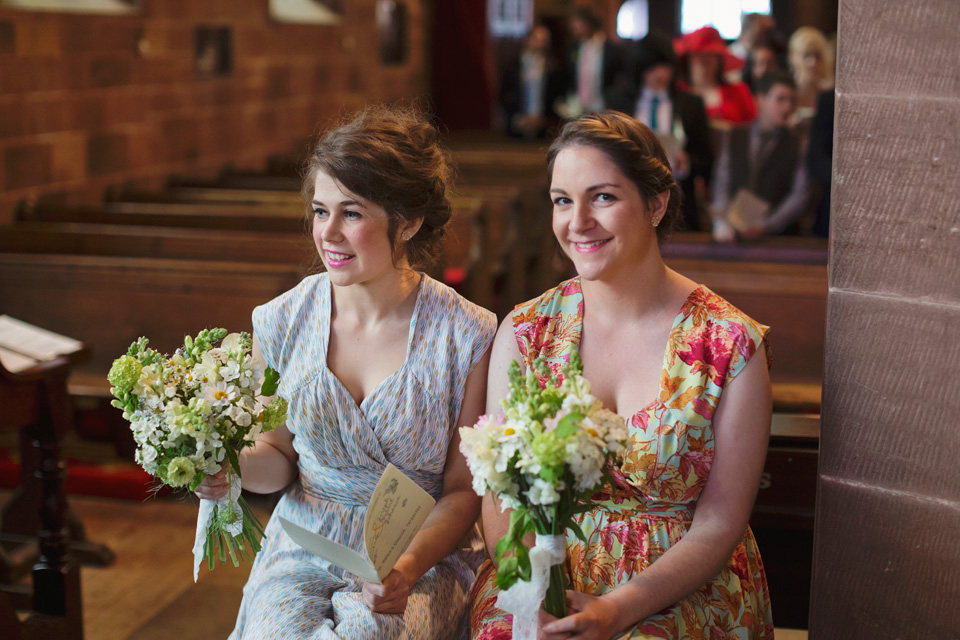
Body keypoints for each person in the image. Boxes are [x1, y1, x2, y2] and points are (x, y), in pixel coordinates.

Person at [468, 111, 774, 639]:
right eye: (563, 200)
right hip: (541, 574)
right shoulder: (525, 331)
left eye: (603, 197)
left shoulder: (728, 344)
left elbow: (721, 521)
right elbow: (499, 496)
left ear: (655, 204)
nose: (578, 221)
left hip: (677, 587)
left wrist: (619, 608)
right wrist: (534, 588)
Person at [196, 106, 497, 639]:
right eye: (320, 210)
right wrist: (228, 469)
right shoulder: (282, 320)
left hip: (416, 555)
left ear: (408, 221)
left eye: (352, 214)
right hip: (303, 544)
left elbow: (461, 490)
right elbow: (280, 457)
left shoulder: (466, 333)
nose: (328, 233)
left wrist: (405, 568)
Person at [607, 30, 713, 232]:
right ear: (639, 69)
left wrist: (688, 162)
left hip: (680, 204)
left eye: (666, 67)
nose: (661, 74)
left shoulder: (691, 105)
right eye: (652, 69)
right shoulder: (618, 103)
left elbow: (708, 159)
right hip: (630, 201)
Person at [711, 70, 813, 241]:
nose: (787, 107)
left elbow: (800, 195)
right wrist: (723, 221)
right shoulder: (735, 136)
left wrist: (767, 225)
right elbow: (722, 181)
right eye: (780, 99)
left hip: (778, 241)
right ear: (761, 99)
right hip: (733, 234)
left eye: (792, 101)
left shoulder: (798, 144)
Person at [675, 26, 756, 127]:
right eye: (698, 54)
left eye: (711, 54)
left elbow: (753, 130)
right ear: (688, 59)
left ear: (719, 60)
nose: (704, 59)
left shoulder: (739, 93)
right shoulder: (675, 94)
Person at [500, 24, 565, 138]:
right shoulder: (513, 66)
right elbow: (504, 95)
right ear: (528, 40)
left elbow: (558, 97)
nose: (540, 44)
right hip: (517, 125)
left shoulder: (553, 67)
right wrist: (516, 117)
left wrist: (544, 119)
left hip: (543, 127)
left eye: (544, 40)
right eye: (537, 39)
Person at [561, 6, 625, 116]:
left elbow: (619, 80)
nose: (572, 26)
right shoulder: (573, 48)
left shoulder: (611, 49)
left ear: (588, 23)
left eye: (577, 22)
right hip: (577, 111)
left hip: (604, 109)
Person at [787, 27, 834, 130]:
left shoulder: (829, 91)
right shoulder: (786, 90)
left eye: (817, 56)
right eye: (806, 55)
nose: (812, 62)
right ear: (793, 57)